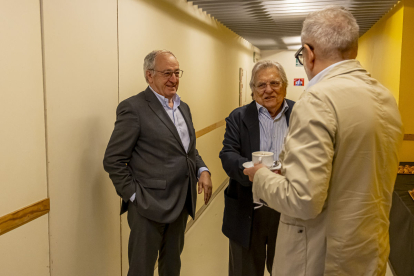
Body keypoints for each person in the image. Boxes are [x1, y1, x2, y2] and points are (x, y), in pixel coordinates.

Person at [244, 6, 403, 276]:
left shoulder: (318, 99)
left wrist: (260, 176)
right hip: (367, 252)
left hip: (320, 257)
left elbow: (302, 199)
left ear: (309, 52)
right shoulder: (385, 98)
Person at [103, 50, 212, 276]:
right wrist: (134, 196)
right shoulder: (134, 108)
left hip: (181, 202)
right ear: (149, 76)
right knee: (141, 269)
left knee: (172, 267)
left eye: (176, 72)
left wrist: (202, 169)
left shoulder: (184, 107)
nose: (174, 79)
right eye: (167, 73)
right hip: (148, 207)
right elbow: (113, 160)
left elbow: (187, 150)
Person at [219, 60, 295, 276]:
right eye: (261, 85)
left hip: (288, 210)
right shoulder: (239, 117)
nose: (268, 90)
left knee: (287, 270)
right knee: (245, 270)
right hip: (248, 209)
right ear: (252, 90)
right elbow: (228, 154)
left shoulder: (300, 114)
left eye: (274, 83)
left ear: (285, 85)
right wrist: (249, 171)